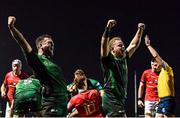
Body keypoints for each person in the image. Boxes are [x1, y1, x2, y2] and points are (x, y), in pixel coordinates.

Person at [8, 16, 68, 117]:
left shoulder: (50, 62)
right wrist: (12, 27)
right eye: (50, 43)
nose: (53, 45)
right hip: (51, 107)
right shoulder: (37, 60)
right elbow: (23, 43)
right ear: (40, 45)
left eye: (53, 43)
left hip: (62, 107)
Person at [100, 19, 145, 117]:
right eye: (120, 46)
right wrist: (107, 29)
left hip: (119, 99)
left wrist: (140, 30)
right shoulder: (108, 60)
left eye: (123, 45)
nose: (123, 47)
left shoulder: (124, 58)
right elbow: (103, 45)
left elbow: (133, 44)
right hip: (111, 97)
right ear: (112, 50)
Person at [144, 35, 175, 117]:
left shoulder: (167, 69)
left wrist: (148, 46)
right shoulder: (160, 74)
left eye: (156, 63)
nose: (154, 65)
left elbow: (156, 56)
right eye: (153, 63)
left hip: (168, 99)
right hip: (161, 100)